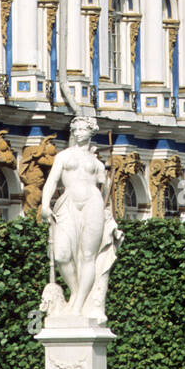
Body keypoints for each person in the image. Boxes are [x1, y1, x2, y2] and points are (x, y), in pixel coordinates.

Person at [40, 115, 123, 321]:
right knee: (61, 254)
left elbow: (106, 192)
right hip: (67, 204)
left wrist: (110, 221)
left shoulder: (97, 164)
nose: (77, 133)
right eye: (74, 130)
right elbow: (52, 181)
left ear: (91, 131)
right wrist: (44, 204)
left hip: (92, 204)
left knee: (88, 256)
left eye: (82, 129)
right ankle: (76, 292)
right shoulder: (63, 156)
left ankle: (78, 305)